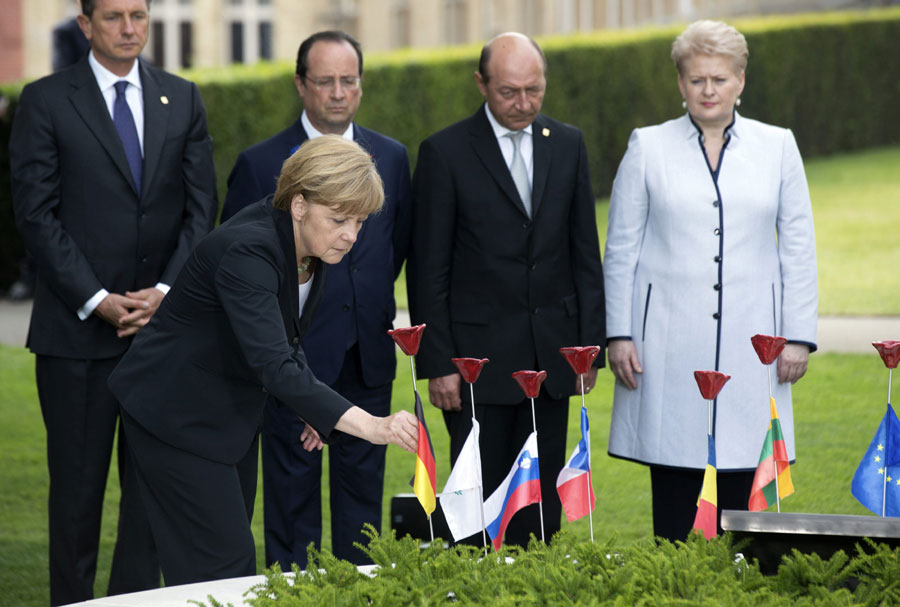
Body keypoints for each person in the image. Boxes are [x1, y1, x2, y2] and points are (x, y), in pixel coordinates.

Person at [107, 135, 419, 586]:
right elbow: (273, 362)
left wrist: (314, 408)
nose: (351, 235)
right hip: (174, 415)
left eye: (359, 221)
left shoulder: (311, 245)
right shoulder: (248, 250)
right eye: (339, 219)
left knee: (183, 556)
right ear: (298, 205)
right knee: (222, 567)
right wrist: (372, 426)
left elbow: (283, 339)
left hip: (222, 416)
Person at [9, 0, 218, 603]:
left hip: (160, 338)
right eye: (113, 17)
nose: (129, 28)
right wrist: (97, 298)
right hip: (75, 342)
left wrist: (167, 293)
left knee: (150, 496)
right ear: (85, 25)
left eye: (138, 15)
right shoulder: (46, 100)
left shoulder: (182, 97)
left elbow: (200, 210)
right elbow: (36, 214)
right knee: (76, 500)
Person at [603, 20, 817, 542]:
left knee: (747, 479)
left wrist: (798, 336)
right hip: (669, 345)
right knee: (677, 480)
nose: (708, 91)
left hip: (756, 347)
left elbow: (798, 246)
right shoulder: (648, 147)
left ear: (741, 81)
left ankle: (744, 582)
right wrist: (619, 333)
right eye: (696, 80)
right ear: (680, 83)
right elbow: (622, 247)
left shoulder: (778, 146)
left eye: (719, 79)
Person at [221, 31, 412, 569]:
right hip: (292, 363)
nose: (337, 93)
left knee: (363, 511)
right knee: (291, 501)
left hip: (367, 358)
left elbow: (393, 250)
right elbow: (242, 269)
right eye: (324, 81)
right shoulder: (261, 165)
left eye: (348, 81)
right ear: (301, 85)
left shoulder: (392, 158)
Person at [407, 32, 606, 547]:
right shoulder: (444, 152)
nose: (523, 104)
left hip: (552, 360)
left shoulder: (568, 144)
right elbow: (429, 268)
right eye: (509, 92)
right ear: (481, 84)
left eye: (534, 91)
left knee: (541, 509)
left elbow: (585, 253)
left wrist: (590, 352)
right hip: (476, 368)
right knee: (479, 506)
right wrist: (438, 363)